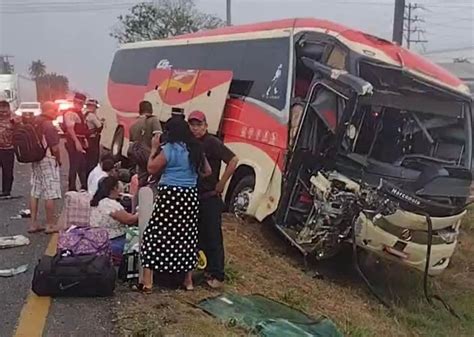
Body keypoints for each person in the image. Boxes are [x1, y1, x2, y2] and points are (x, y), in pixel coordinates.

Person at [139, 117, 211, 293]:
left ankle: (148, 281)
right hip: (189, 197)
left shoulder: (169, 149)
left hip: (170, 196)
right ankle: (188, 281)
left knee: (154, 235)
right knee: (186, 237)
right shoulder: (195, 149)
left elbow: (151, 168)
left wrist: (154, 148)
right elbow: (207, 171)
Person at [188, 110, 238, 289]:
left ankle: (217, 274)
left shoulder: (211, 142)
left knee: (213, 236)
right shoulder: (191, 143)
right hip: (196, 196)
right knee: (198, 234)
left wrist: (222, 183)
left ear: (206, 126)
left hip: (210, 197)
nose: (195, 128)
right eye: (192, 125)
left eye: (199, 125)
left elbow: (233, 160)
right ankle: (203, 269)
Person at [29, 101, 63, 234]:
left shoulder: (34, 122)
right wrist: (58, 160)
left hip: (35, 159)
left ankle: (33, 223)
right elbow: (54, 147)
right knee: (50, 192)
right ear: (48, 110)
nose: (57, 113)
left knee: (35, 191)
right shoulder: (48, 125)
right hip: (47, 159)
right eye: (55, 110)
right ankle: (50, 224)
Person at [90, 176, 138, 264]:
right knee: (137, 240)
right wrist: (140, 212)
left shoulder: (96, 202)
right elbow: (129, 220)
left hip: (97, 240)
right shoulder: (109, 204)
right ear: (114, 188)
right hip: (112, 240)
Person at [129, 101, 162, 187]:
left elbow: (131, 144)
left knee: (141, 181)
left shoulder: (133, 125)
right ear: (151, 110)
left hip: (139, 159)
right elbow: (158, 137)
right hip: (150, 157)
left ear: (140, 110)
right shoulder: (153, 120)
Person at [64, 92, 89, 191]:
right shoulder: (71, 113)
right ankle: (72, 187)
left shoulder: (79, 113)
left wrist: (84, 140)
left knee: (81, 164)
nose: (79, 105)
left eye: (81, 103)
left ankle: (82, 186)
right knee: (74, 165)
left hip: (79, 139)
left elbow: (81, 128)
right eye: (78, 103)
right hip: (73, 141)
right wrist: (77, 142)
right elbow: (70, 129)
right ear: (74, 102)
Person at [84, 99, 103, 175]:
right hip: (92, 139)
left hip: (86, 139)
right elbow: (99, 126)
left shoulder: (84, 114)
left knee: (87, 160)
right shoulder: (92, 115)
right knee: (93, 160)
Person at [0, 99, 14, 198]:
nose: (4, 113)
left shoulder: (13, 119)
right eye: (1, 112)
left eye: (5, 111)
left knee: (7, 171)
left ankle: (6, 191)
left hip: (8, 149)